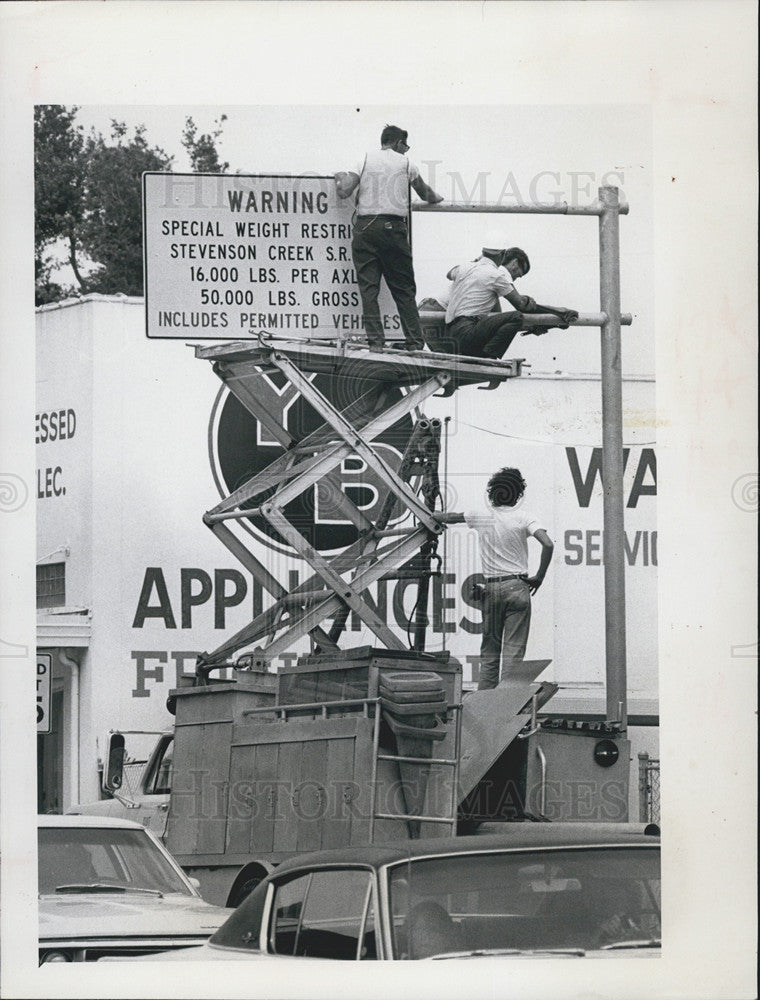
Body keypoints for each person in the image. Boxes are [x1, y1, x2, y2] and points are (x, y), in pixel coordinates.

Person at [436, 467, 554, 690]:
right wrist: (539, 577)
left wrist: (430, 514)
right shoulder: (525, 517)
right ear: (518, 493)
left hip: (490, 589)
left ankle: (483, 707)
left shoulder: (481, 515)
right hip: (517, 586)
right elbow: (548, 543)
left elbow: (448, 517)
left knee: (489, 653)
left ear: (492, 492)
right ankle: (504, 708)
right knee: (513, 654)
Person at [334, 125, 444, 352]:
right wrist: (438, 197)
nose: (406, 150)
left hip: (365, 229)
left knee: (369, 289)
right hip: (393, 229)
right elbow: (426, 194)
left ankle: (376, 343)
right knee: (403, 289)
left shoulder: (363, 159)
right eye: (405, 145)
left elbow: (344, 190)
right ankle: (414, 342)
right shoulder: (406, 164)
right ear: (396, 143)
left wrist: (339, 178)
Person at [443, 242, 579, 359]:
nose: (515, 279)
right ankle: (487, 358)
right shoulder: (499, 274)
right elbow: (521, 306)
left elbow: (449, 273)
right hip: (466, 331)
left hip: (451, 333)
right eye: (518, 275)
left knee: (511, 318)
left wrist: (547, 324)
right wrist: (559, 312)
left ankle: (485, 356)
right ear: (513, 263)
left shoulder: (466, 268)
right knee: (516, 316)